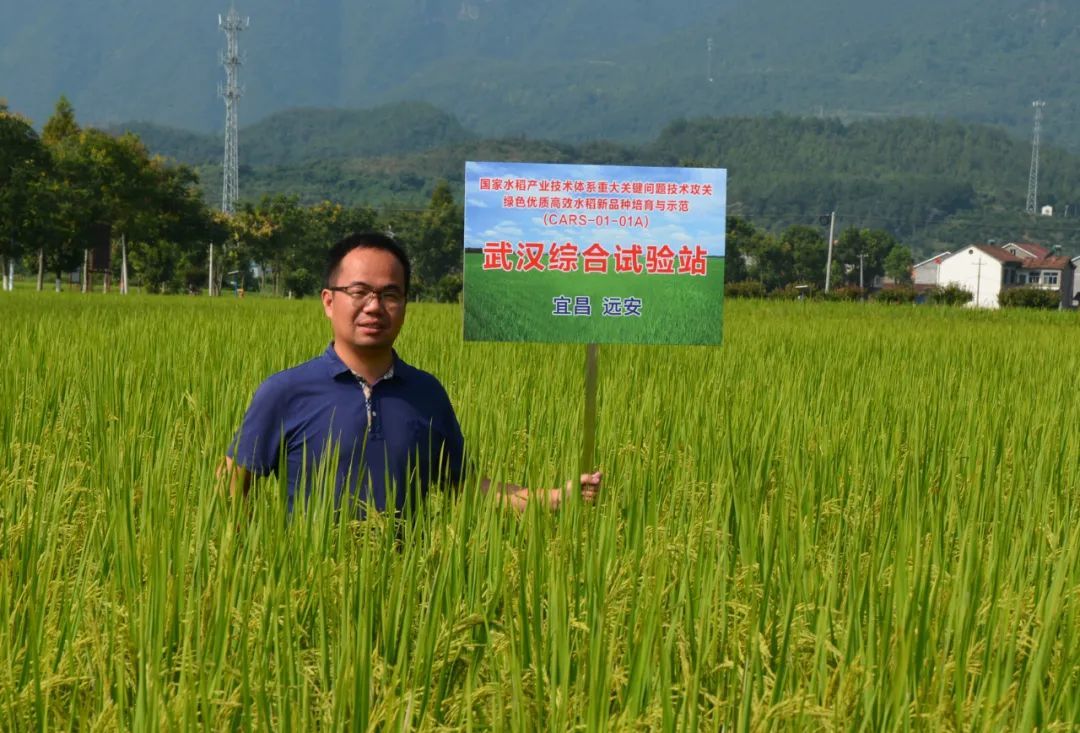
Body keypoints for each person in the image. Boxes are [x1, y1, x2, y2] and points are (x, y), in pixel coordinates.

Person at [223, 231, 601, 514]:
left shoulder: (426, 393)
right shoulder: (286, 392)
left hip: (406, 589)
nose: (374, 306)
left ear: (405, 305)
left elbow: (467, 489)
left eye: (390, 295)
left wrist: (557, 497)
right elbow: (230, 491)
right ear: (328, 301)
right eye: (359, 292)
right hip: (309, 585)